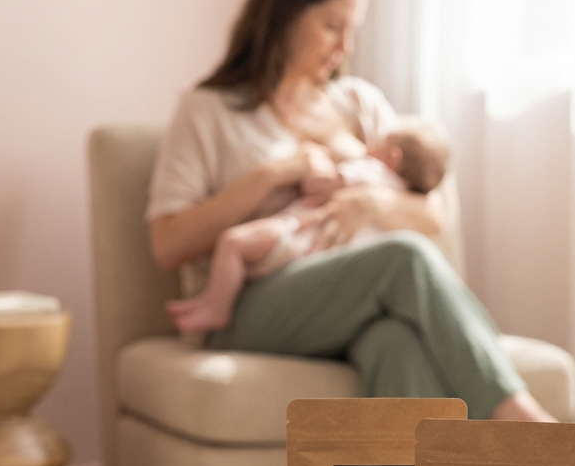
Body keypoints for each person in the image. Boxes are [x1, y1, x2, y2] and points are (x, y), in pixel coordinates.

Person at [146, 0, 575, 466]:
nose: (345, 46)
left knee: (395, 342)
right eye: (332, 26)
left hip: (353, 303)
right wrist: (271, 174)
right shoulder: (209, 111)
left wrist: (369, 207)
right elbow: (168, 244)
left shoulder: (359, 104)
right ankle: (529, 427)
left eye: (353, 29)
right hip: (253, 305)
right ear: (282, 16)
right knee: (401, 258)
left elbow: (431, 215)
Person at [166, 125, 450, 333]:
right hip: (330, 265)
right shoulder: (401, 187)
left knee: (233, 243)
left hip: (301, 237)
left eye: (379, 141)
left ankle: (215, 304)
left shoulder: (370, 169)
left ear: (392, 158)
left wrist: (315, 168)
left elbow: (320, 183)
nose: (368, 144)